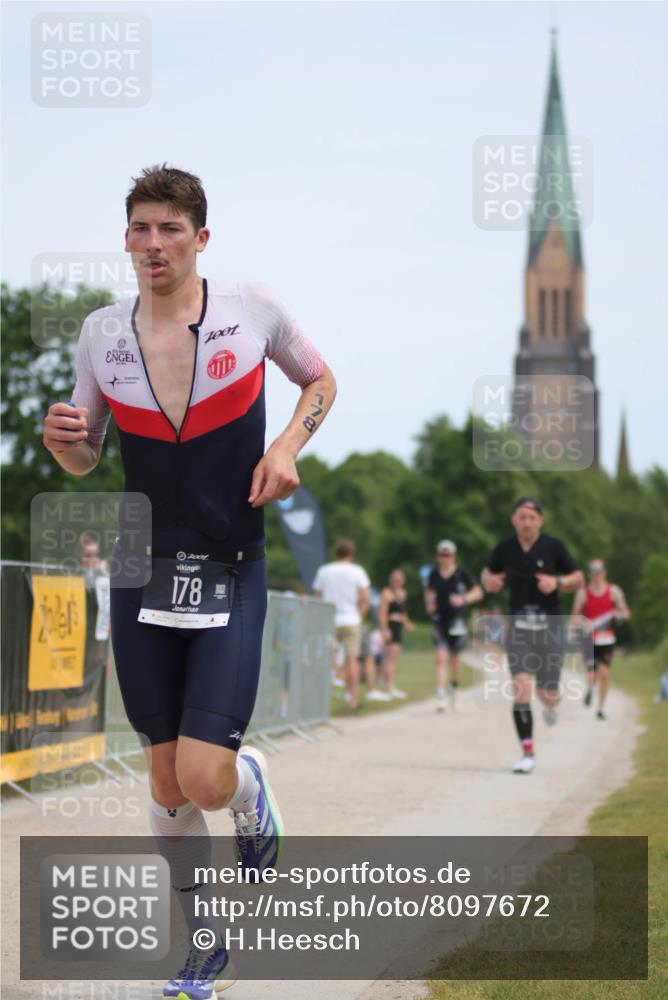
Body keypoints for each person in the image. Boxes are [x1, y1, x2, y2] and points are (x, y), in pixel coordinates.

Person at [42, 164, 336, 998]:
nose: (154, 243)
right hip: (141, 569)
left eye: (171, 228)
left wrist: (285, 450)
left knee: (208, 776)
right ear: (126, 239)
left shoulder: (252, 310)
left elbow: (322, 379)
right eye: (140, 228)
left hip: (231, 563)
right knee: (166, 784)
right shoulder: (102, 333)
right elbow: (85, 447)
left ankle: (251, 794)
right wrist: (61, 439)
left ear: (200, 238)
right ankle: (204, 947)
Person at [481, 497, 584, 774]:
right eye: (521, 517)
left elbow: (578, 578)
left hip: (550, 625)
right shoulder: (505, 548)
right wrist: (488, 581)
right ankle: (527, 752)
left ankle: (551, 704)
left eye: (531, 517)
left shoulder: (554, 547)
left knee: (547, 692)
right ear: (514, 520)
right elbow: (487, 574)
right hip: (519, 626)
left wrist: (558, 582)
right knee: (522, 685)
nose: (526, 522)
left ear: (540, 520)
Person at [424, 540, 483, 711]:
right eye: (442, 555)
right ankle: (440, 695)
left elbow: (478, 592)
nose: (445, 558)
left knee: (455, 658)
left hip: (457, 622)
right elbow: (428, 591)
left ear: (453, 556)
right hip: (439, 621)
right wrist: (429, 603)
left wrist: (463, 599)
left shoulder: (462, 573)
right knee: (440, 658)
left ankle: (454, 689)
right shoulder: (433, 575)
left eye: (448, 555)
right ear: (438, 556)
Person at [313, 539, 370, 710]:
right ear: (351, 554)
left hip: (330, 618)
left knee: (328, 659)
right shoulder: (357, 571)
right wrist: (360, 617)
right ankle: (352, 698)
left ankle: (322, 700)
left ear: (335, 553)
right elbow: (365, 599)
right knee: (353, 659)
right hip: (351, 619)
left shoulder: (324, 571)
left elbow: (318, 597)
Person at [570, 558, 630, 719]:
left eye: (599, 571)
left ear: (604, 572)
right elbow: (574, 618)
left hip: (606, 640)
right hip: (589, 640)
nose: (596, 575)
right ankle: (590, 689)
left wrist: (619, 616)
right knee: (591, 675)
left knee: (604, 674)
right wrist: (581, 624)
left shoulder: (614, 591)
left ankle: (600, 708)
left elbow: (626, 613)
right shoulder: (583, 593)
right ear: (589, 574)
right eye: (593, 572)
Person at [378, 569, 415, 699]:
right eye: (395, 579)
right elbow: (382, 613)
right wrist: (384, 630)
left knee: (392, 658)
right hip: (390, 627)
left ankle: (385, 683)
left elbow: (402, 613)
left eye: (399, 579)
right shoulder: (386, 593)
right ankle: (391, 687)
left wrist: (407, 623)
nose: (397, 582)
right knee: (390, 659)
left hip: (398, 627)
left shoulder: (403, 594)